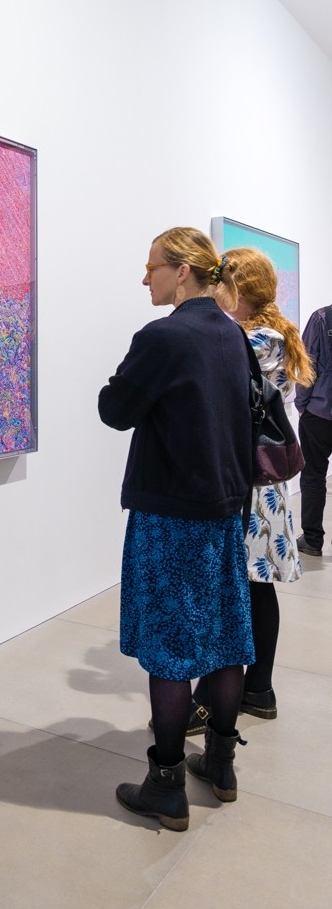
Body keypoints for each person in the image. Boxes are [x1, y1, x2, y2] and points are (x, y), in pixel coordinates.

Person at [98, 227, 254, 831]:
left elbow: (115, 410)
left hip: (170, 512)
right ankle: (220, 763)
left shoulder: (162, 337)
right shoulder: (231, 335)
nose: (146, 278)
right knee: (223, 635)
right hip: (224, 510)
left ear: (183, 271)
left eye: (153, 267)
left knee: (169, 646)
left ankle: (165, 783)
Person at [189, 248, 313, 726]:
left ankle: (213, 696)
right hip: (260, 481)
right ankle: (258, 688)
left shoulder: (252, 340)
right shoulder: (269, 335)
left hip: (246, 484)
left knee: (235, 591)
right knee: (255, 588)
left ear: (234, 287)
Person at [295, 304, 332, 556]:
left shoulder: (322, 317)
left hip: (320, 412)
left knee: (313, 476)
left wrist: (302, 404)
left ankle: (312, 540)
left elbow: (307, 365)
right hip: (319, 410)